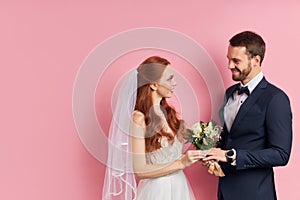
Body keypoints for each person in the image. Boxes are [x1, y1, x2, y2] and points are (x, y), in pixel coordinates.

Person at [203, 31, 293, 200]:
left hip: (255, 193)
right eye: (228, 59)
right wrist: (213, 155)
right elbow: (230, 138)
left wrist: (231, 155)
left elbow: (281, 154)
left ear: (256, 60)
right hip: (224, 191)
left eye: (236, 61)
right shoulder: (230, 93)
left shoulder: (276, 99)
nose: (229, 65)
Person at [102, 56, 201, 200]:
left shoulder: (168, 114)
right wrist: (181, 163)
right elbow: (140, 170)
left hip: (179, 187)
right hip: (158, 191)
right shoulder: (139, 118)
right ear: (153, 85)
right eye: (169, 79)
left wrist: (201, 137)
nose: (175, 83)